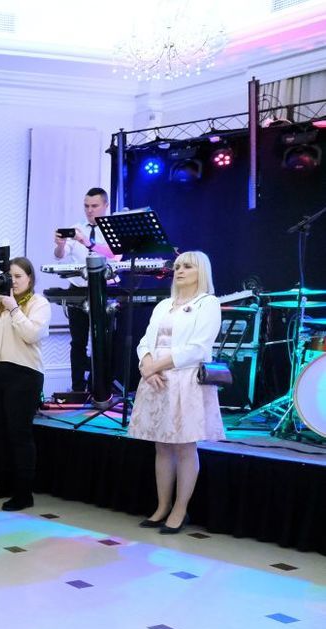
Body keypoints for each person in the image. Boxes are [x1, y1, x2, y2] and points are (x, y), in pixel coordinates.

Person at [128, 252, 224, 534]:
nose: (179, 270)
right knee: (161, 445)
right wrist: (147, 366)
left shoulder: (207, 303)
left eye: (187, 266)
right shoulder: (163, 305)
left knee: (184, 446)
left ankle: (180, 509)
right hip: (156, 380)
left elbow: (198, 347)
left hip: (185, 380)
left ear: (201, 271)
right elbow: (145, 341)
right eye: (178, 266)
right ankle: (162, 506)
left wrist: (154, 366)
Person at [0, 257, 51, 511]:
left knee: (19, 433)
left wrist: (14, 308)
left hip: (24, 374)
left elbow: (32, 334)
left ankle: (24, 493)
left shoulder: (38, 303)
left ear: (30, 278)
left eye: (18, 276)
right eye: (10, 276)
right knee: (0, 431)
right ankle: (5, 483)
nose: (13, 281)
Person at [52, 187, 117, 393]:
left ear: (105, 205)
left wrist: (87, 242)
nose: (89, 210)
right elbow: (59, 256)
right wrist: (60, 245)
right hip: (78, 289)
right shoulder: (77, 228)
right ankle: (78, 388)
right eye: (86, 206)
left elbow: (115, 255)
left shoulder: (113, 228)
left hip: (106, 290)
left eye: (94, 206)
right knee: (78, 341)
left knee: (105, 341)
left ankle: (103, 387)